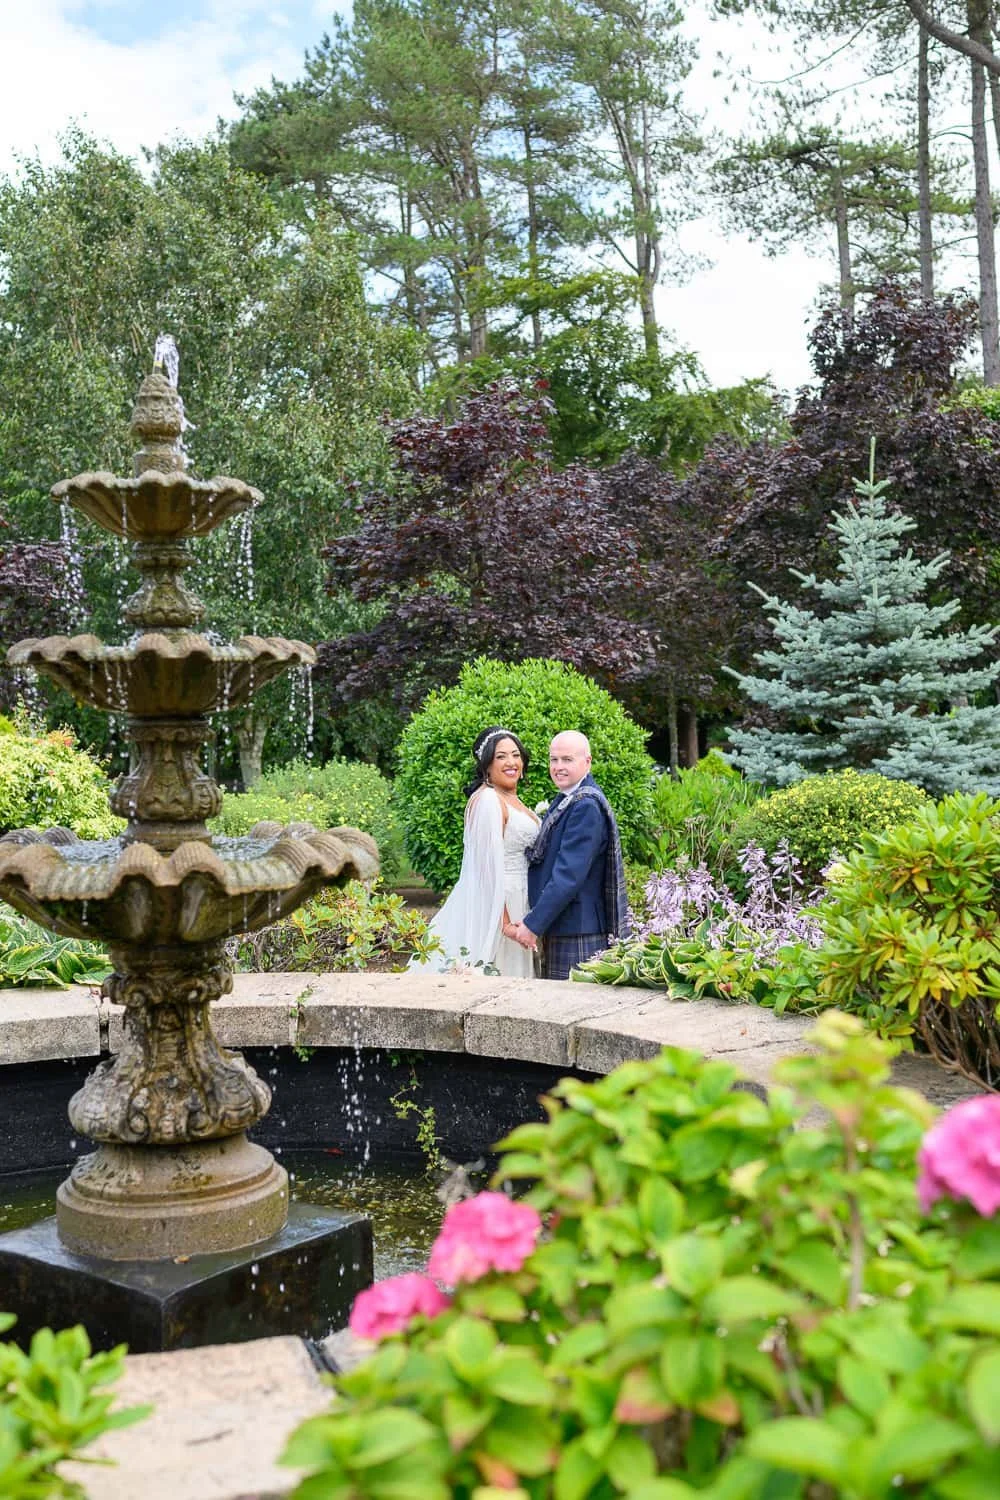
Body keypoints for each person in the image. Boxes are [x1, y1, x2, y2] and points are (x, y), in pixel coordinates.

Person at [412, 726, 540, 977]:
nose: (511, 762)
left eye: (516, 755)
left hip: (521, 898)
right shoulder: (488, 800)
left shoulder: (513, 799)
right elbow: (485, 867)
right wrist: (504, 924)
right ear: (486, 766)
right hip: (499, 903)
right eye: (501, 756)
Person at [509, 730, 630, 980]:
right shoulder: (569, 797)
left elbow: (568, 876)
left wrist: (533, 924)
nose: (558, 767)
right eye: (554, 760)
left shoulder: (585, 805)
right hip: (567, 925)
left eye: (567, 759)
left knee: (568, 1010)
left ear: (587, 761)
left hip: (578, 930)